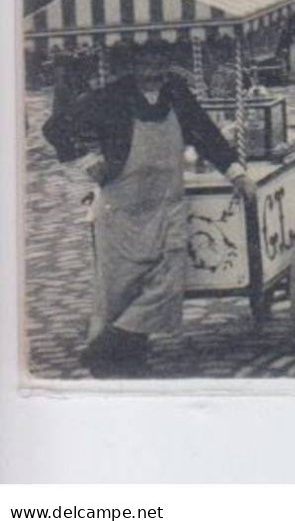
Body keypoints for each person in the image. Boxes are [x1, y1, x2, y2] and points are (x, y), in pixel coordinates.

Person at [43, 43, 258, 377]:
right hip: (121, 208)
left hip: (166, 204)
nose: (153, 72)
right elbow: (56, 127)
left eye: (159, 64)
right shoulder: (112, 96)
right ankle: (122, 357)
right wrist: (88, 160)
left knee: (168, 280)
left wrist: (236, 172)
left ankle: (109, 342)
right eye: (145, 64)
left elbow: (206, 133)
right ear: (132, 65)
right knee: (118, 287)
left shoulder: (177, 93)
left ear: (168, 65)